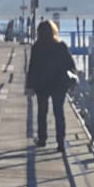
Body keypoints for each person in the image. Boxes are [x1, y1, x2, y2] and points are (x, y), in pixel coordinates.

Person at [24, 18, 79, 153]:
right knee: (59, 112)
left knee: (42, 112)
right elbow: (71, 65)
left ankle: (42, 139)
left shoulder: (37, 47)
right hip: (59, 84)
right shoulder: (61, 46)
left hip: (42, 84)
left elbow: (32, 68)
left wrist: (29, 86)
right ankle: (61, 142)